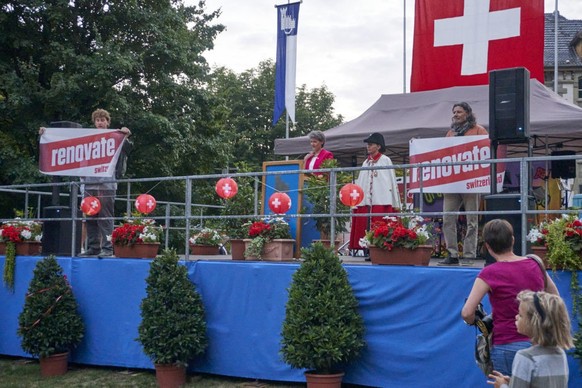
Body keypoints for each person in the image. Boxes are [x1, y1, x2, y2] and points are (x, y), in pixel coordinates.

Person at [461, 219, 560, 377]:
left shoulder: (489, 273)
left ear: (487, 246)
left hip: (506, 343)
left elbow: (467, 312)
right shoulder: (535, 263)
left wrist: (474, 320)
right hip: (540, 342)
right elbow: (555, 297)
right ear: (512, 240)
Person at [40, 109, 131, 257]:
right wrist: (46, 133)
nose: (100, 123)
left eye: (103, 120)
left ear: (108, 122)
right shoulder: (87, 138)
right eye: (97, 120)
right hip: (88, 185)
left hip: (107, 184)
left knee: (106, 218)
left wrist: (125, 135)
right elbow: (65, 143)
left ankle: (107, 248)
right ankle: (93, 248)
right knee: (90, 218)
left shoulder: (115, 137)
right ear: (94, 123)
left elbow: (126, 149)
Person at [487, 291, 573, 388]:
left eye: (520, 315)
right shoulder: (560, 354)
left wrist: (502, 385)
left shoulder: (525, 357)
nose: (516, 317)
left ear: (534, 322)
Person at [438, 102, 488, 266]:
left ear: (467, 113)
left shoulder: (479, 130)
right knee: (447, 218)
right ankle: (452, 253)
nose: (456, 114)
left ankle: (469, 254)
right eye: (454, 112)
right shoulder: (450, 133)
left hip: (471, 182)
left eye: (459, 111)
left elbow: (486, 151)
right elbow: (444, 153)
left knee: (471, 220)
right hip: (452, 182)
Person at [349, 132, 401, 251]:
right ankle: (367, 248)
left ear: (378, 146)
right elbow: (361, 181)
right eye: (368, 144)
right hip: (366, 201)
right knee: (366, 224)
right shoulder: (365, 162)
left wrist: (392, 198)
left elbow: (390, 181)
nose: (368, 146)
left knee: (380, 223)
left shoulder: (385, 161)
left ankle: (380, 248)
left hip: (381, 200)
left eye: (371, 144)